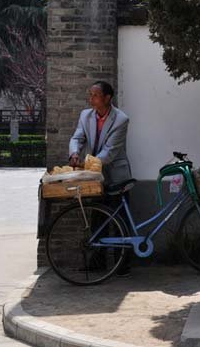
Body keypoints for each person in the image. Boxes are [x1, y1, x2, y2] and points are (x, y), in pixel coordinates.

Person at [69, 81, 132, 276]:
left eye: (95, 95)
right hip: (94, 176)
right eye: (91, 95)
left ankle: (123, 265)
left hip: (116, 175)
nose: (91, 99)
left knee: (120, 219)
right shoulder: (85, 115)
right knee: (97, 217)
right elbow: (77, 138)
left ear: (107, 98)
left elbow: (109, 152)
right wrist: (74, 154)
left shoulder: (121, 119)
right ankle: (98, 262)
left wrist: (85, 164)